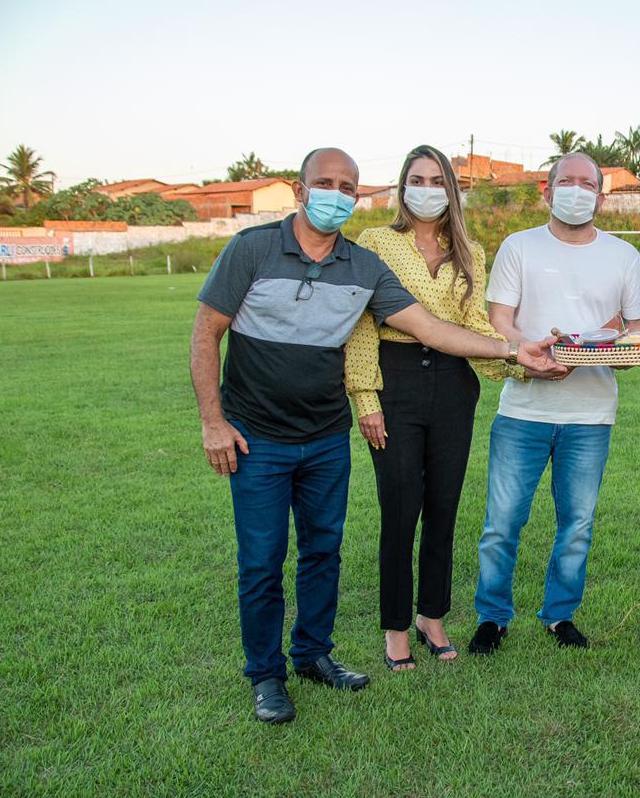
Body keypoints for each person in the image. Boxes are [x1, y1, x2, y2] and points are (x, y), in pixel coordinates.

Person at [190, 147, 557, 724]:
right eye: (325, 183)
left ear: (359, 194)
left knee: (322, 552)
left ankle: (313, 655)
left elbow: (435, 327)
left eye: (347, 186)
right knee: (262, 560)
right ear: (301, 187)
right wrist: (214, 421)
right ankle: (266, 675)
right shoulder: (256, 248)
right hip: (260, 435)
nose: (336, 194)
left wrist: (515, 351)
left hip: (326, 432)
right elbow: (207, 330)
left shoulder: (361, 266)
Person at [344, 145, 522, 672]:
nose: (427, 188)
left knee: (443, 508)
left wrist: (523, 361)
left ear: (452, 188)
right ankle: (396, 628)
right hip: (394, 381)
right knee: (400, 510)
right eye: (417, 179)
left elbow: (475, 330)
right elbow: (359, 326)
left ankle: (432, 617)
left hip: (452, 385)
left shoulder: (470, 250)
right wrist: (366, 396)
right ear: (402, 187)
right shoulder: (374, 242)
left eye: (437, 179)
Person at [468, 152, 640, 655]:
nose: (576, 190)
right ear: (545, 192)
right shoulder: (519, 246)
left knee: (577, 524)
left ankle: (559, 615)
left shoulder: (623, 256)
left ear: (601, 194)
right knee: (502, 521)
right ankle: (492, 616)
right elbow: (499, 321)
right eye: (565, 182)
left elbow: (639, 331)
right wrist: (529, 355)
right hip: (523, 410)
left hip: (591, 414)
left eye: (586, 183)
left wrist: (608, 345)